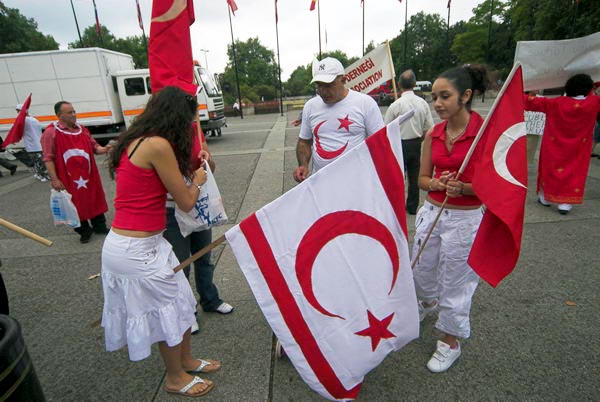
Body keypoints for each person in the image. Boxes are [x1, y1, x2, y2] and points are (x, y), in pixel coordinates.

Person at [102, 86, 219, 398]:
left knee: (182, 302)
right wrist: (197, 180)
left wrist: (195, 165)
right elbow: (185, 202)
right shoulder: (157, 145)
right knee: (166, 310)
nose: (189, 127)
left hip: (148, 244)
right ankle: (175, 377)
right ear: (176, 118)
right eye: (188, 120)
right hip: (135, 249)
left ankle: (187, 360)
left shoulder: (139, 139)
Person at [413, 64, 488, 373]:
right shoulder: (433, 133)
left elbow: (495, 186)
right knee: (419, 270)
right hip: (432, 213)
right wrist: (437, 184)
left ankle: (450, 340)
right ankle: (428, 304)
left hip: (466, 219)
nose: (437, 104)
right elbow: (422, 178)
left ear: (466, 95)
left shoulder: (485, 133)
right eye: (435, 97)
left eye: (445, 96)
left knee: (456, 282)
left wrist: (466, 188)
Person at [163, 125, 234, 335]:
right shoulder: (158, 137)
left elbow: (209, 169)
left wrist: (206, 160)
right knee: (181, 263)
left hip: (199, 204)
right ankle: (186, 312)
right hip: (172, 209)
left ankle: (210, 299)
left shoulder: (194, 129)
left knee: (204, 256)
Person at [294, 57, 384, 182]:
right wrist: (303, 165)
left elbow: (380, 143)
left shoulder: (365, 103)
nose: (323, 91)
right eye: (319, 85)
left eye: (329, 85)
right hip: (321, 182)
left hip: (355, 182)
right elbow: (304, 142)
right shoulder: (310, 106)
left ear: (343, 80)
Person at [524, 74, 600, 214]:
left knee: (549, 169)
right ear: (589, 88)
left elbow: (528, 102)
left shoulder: (555, 103)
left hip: (554, 146)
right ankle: (565, 203)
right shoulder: (595, 102)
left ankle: (544, 198)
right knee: (575, 172)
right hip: (579, 147)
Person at [41, 101, 110, 243]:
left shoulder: (82, 129)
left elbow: (95, 147)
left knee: (94, 197)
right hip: (68, 177)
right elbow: (48, 158)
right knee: (74, 203)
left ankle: (99, 226)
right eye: (69, 112)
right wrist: (54, 179)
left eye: (74, 111)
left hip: (89, 175)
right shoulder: (51, 132)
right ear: (59, 116)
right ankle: (84, 230)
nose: (73, 115)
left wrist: (108, 148)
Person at [384, 70, 434, 214]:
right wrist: (420, 139)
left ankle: (397, 206)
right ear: (414, 84)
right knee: (414, 177)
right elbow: (429, 128)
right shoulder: (422, 103)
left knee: (398, 177)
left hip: (399, 143)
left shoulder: (396, 105)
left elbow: (386, 128)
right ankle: (412, 207)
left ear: (399, 85)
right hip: (416, 142)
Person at [16, 103, 49, 182]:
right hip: (38, 143)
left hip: (32, 145)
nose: (17, 113)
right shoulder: (33, 119)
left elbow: (18, 130)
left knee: (38, 161)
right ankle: (40, 174)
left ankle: (44, 175)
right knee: (39, 160)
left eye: (18, 111)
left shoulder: (24, 120)